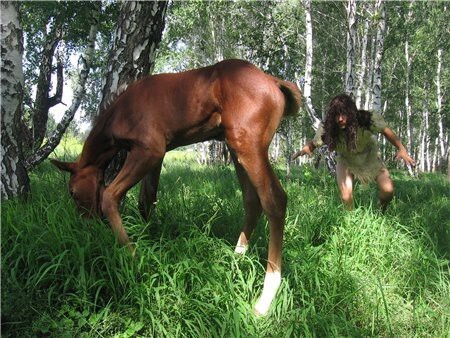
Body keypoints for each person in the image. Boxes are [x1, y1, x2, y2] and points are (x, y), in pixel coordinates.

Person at [292, 93, 415, 211]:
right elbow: (314, 143)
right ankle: (351, 221)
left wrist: (401, 148)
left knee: (388, 191)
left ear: (351, 112)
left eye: (344, 114)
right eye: (336, 115)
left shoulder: (367, 119)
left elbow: (386, 131)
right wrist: (307, 148)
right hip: (346, 160)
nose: (340, 119)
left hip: (369, 157)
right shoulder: (329, 129)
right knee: (346, 197)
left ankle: (381, 210)